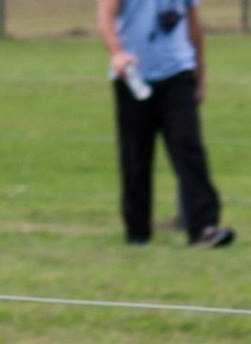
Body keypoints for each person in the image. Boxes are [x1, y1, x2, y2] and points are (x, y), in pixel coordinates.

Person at [99, 0, 235, 247]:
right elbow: (105, 16)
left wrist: (200, 73)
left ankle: (204, 227)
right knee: (135, 157)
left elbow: (194, 24)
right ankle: (137, 232)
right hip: (133, 76)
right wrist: (117, 53)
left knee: (188, 150)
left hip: (177, 74)